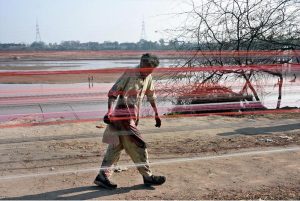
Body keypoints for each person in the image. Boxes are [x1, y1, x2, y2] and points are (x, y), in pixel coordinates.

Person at [94, 53, 166, 189]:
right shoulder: (130, 73)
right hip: (122, 118)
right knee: (139, 145)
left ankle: (102, 176)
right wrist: (109, 111)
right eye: (146, 70)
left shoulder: (149, 77)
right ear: (141, 64)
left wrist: (156, 114)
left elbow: (151, 96)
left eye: (150, 71)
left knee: (115, 147)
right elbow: (113, 92)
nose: (147, 73)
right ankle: (148, 176)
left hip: (132, 118)